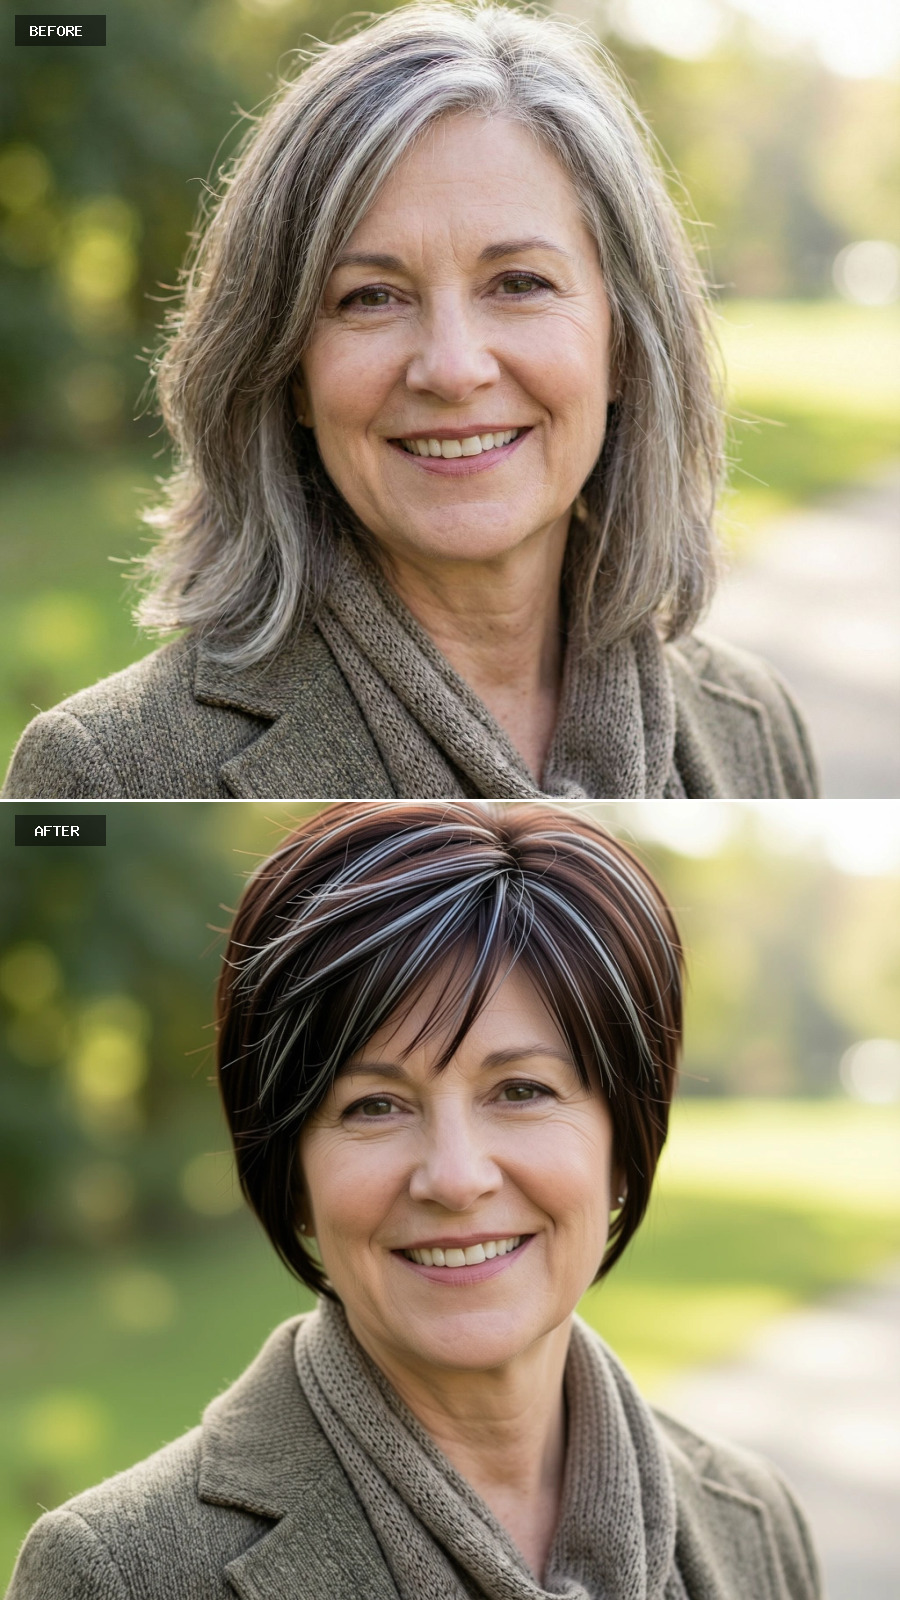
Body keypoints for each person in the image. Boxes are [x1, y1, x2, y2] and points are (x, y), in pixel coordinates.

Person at [3, 4, 818, 802]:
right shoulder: (105, 771)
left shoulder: (754, 722)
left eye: (520, 283)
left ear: (626, 346)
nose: (453, 368)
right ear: (288, 372)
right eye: (371, 297)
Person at [7, 802, 822, 1598]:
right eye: (374, 1106)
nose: (456, 1177)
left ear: (623, 1145)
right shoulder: (116, 1574)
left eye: (522, 1090)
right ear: (290, 1170)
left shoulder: (752, 1521)